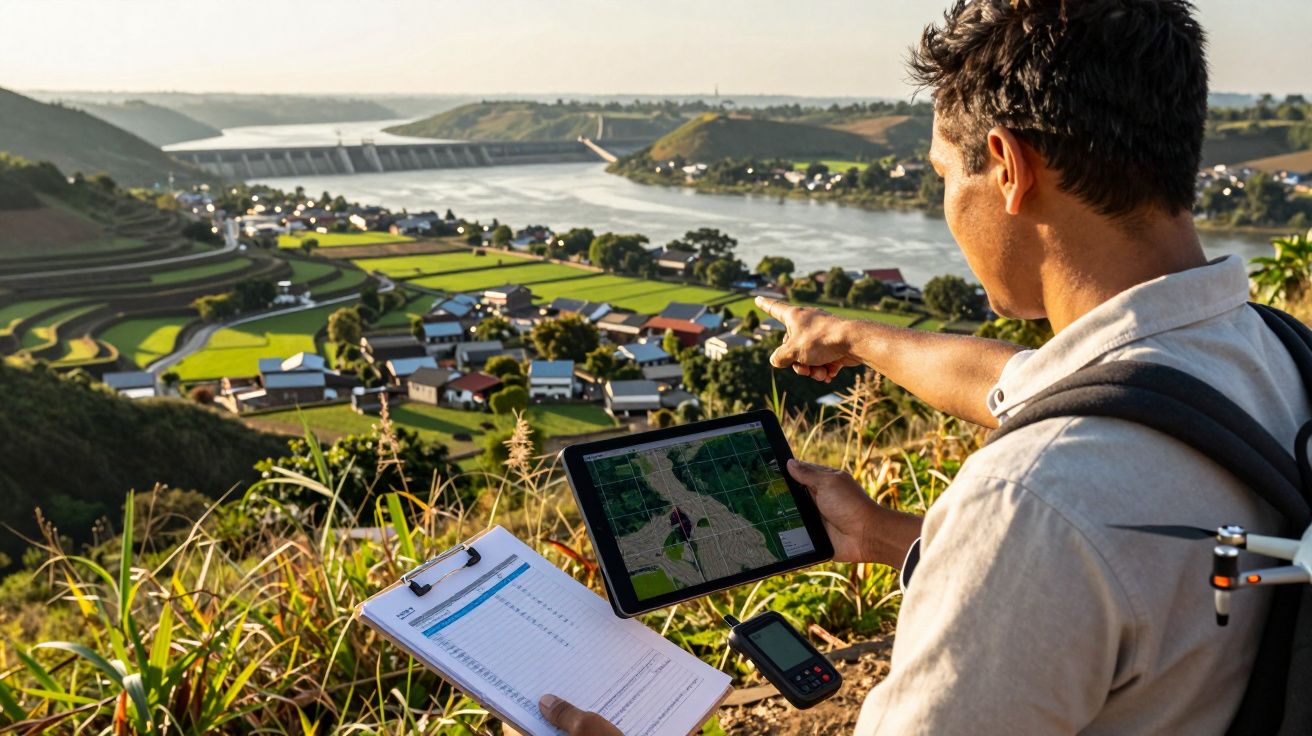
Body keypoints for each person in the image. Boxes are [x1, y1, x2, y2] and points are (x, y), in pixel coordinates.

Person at [537, 0, 1307, 733]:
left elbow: (1048, 515)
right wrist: (881, 523)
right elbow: (1039, 391)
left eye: (944, 173)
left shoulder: (1031, 502)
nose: (945, 201)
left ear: (1007, 166)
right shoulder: (1274, 355)